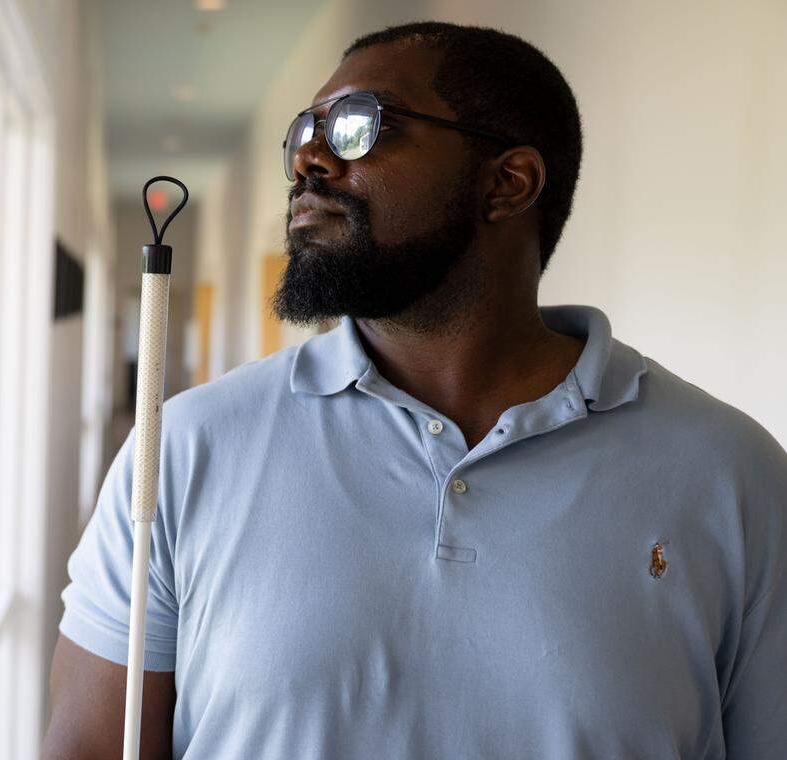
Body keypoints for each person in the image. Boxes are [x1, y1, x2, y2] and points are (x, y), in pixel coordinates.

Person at [43, 20, 786, 759]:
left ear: (507, 183)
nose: (307, 157)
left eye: (358, 126)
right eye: (306, 129)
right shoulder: (185, 448)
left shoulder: (733, 474)